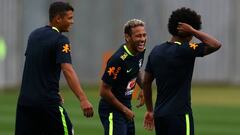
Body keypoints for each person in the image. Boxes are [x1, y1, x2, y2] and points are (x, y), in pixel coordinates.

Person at [15, 2, 94, 135]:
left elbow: (36, 65)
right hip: (47, 103)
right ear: (58, 19)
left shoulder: (34, 35)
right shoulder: (61, 40)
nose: (72, 22)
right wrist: (83, 99)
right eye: (69, 18)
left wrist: (51, 88)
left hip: (25, 102)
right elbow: (67, 69)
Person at [143, 7, 221, 135]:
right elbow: (215, 44)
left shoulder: (156, 51)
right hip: (179, 115)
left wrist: (150, 110)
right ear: (186, 31)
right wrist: (193, 30)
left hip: (159, 116)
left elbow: (146, 82)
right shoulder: (186, 49)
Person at [98, 19, 147, 135]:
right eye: (138, 36)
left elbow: (136, 69)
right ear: (127, 37)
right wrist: (124, 110)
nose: (142, 39)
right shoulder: (118, 59)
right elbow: (104, 91)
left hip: (126, 107)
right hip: (112, 110)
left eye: (144, 35)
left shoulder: (139, 51)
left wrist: (144, 87)